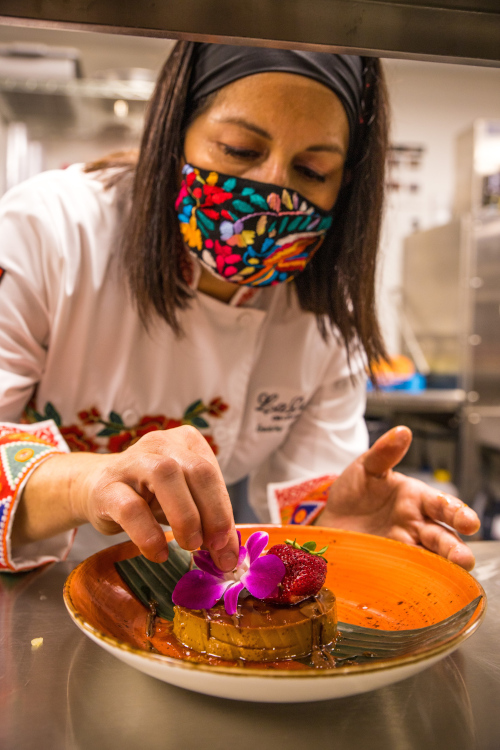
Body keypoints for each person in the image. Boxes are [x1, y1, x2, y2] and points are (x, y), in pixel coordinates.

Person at [0, 42, 479, 575]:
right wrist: (88, 482)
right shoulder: (48, 232)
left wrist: (333, 524)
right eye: (239, 150)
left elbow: (310, 499)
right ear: (174, 133)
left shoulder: (320, 311)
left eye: (313, 170)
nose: (272, 192)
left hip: (183, 592)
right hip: (29, 588)